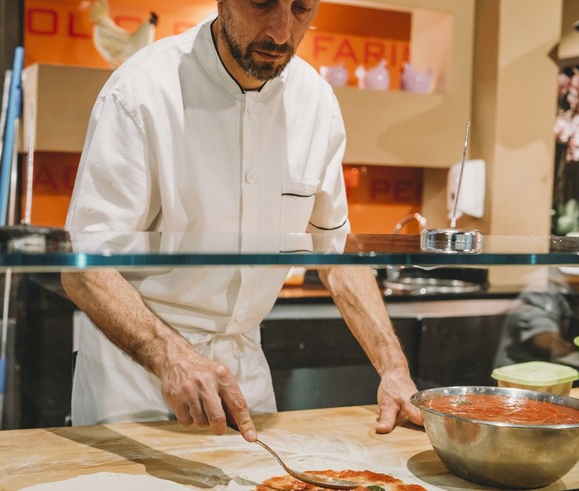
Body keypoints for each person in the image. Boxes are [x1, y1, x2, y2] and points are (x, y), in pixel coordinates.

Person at [61, 0, 423, 442]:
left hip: (245, 373)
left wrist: (394, 369)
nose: (281, 32)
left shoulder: (316, 104)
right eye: (263, 3)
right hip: (134, 378)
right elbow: (83, 271)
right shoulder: (141, 91)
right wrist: (171, 356)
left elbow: (337, 253)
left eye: (301, 9)